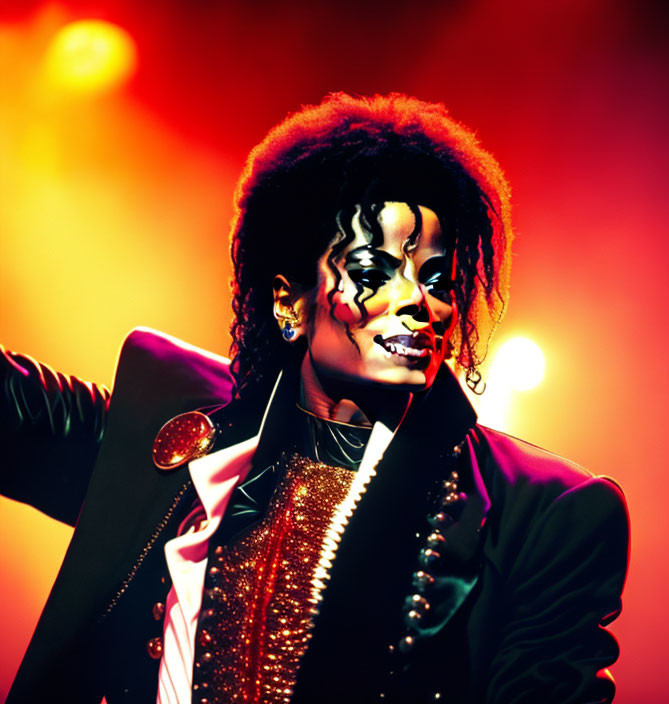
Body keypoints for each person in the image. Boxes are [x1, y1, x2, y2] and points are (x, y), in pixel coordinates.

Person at [1, 93, 629, 703]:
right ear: (289, 302)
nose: (419, 302)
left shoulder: (542, 517)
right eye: (372, 273)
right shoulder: (178, 437)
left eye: (436, 278)